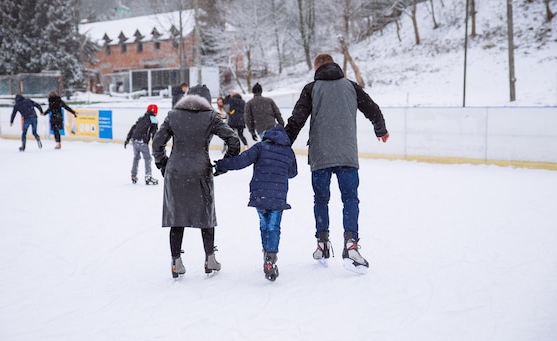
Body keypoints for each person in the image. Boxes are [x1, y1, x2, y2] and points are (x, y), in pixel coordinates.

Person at [285, 53, 390, 274]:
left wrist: (281, 144)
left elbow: (297, 119)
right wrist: (380, 129)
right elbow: (372, 108)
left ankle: (322, 244)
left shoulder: (311, 89)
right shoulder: (351, 87)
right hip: (347, 155)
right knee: (350, 198)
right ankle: (351, 244)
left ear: (316, 69)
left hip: (321, 155)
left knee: (321, 199)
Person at [152, 85, 240, 278]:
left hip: (175, 172)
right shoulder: (210, 117)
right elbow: (233, 140)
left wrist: (164, 165)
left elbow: (157, 143)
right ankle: (210, 259)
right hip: (201, 171)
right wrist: (223, 165)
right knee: (205, 215)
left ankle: (176, 262)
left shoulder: (173, 115)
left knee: (177, 217)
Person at [213, 125, 297, 281]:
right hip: (278, 195)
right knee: (274, 227)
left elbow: (241, 162)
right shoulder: (288, 151)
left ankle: (266, 254)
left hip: (260, 194)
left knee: (264, 225)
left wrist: (221, 165)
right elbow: (293, 173)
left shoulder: (260, 147)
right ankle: (270, 257)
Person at [124, 104, 159, 185]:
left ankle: (133, 175)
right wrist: (156, 144)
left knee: (136, 158)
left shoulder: (141, 117)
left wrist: (127, 139)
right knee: (148, 159)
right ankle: (148, 177)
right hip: (143, 142)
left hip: (134, 141)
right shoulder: (153, 120)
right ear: (155, 111)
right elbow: (154, 133)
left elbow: (133, 127)